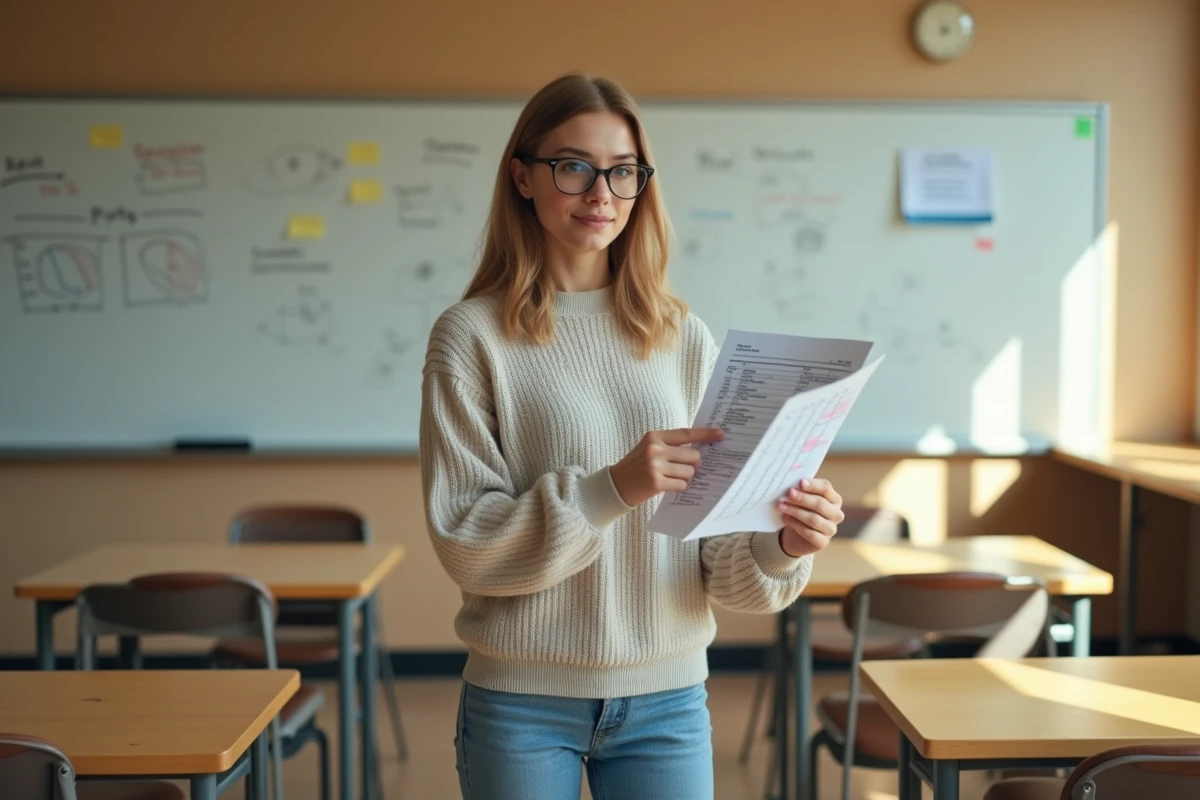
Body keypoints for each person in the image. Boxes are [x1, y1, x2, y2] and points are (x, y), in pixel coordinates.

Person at [419, 72, 845, 800]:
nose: (601, 194)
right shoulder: (471, 338)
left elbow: (715, 558)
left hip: (668, 700)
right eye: (574, 166)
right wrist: (613, 488)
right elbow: (466, 542)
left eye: (622, 172)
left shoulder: (681, 336)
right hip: (522, 701)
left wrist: (782, 545)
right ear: (523, 176)